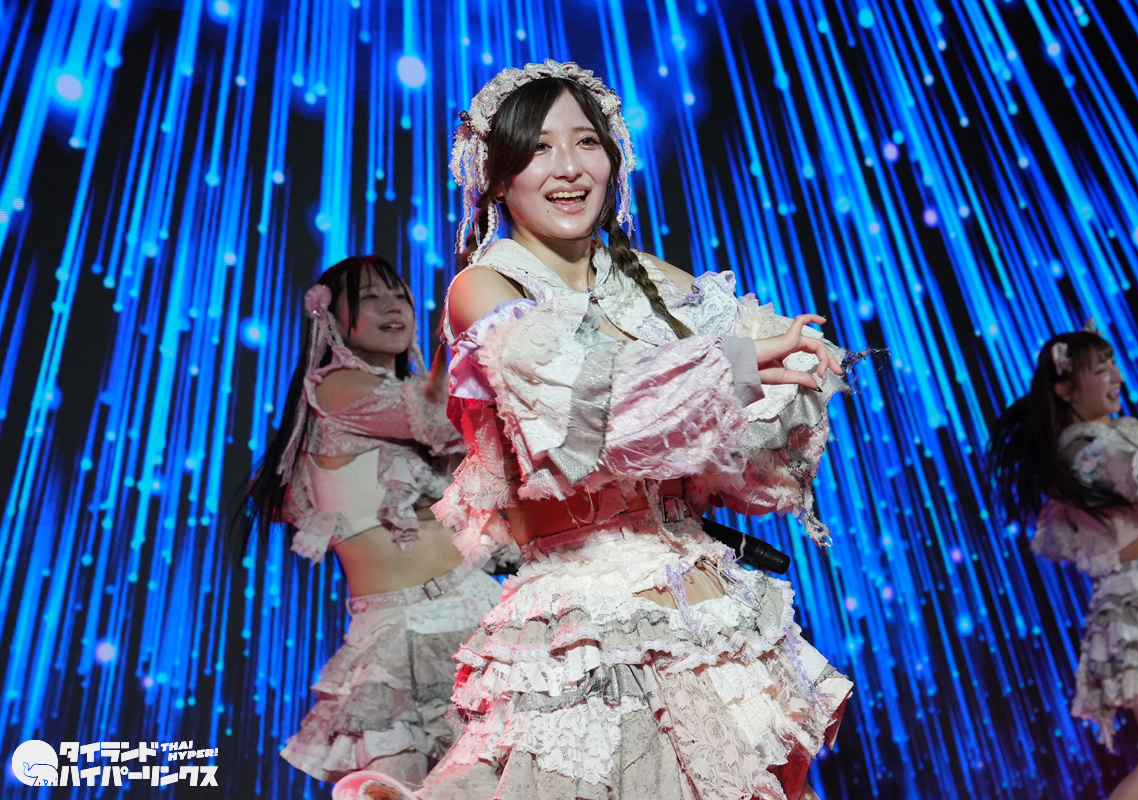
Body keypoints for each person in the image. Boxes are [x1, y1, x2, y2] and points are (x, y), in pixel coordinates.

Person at [417, 60, 853, 800]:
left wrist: (799, 366)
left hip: (710, 610)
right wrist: (737, 366)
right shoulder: (485, 288)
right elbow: (582, 419)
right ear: (496, 178)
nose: (568, 167)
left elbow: (762, 425)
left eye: (586, 142)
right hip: (591, 627)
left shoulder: (647, 279)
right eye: (539, 148)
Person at [239, 256, 503, 798]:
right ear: (330, 317)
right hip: (396, 629)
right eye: (371, 297)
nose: (393, 307)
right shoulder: (335, 388)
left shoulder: (400, 398)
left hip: (474, 606)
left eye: (400, 295)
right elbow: (444, 414)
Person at [988, 325, 1138, 800]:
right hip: (1136, 607)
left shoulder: (1121, 432)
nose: (1117, 377)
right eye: (1102, 370)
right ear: (1066, 389)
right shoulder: (1083, 450)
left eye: (1114, 366)